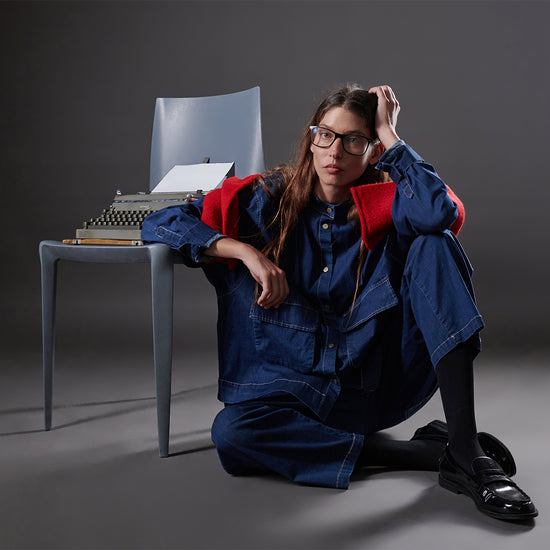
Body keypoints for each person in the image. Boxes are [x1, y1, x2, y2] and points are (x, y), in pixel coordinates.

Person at [142, 84, 537, 521]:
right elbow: (162, 219)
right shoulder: (265, 200)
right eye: (326, 135)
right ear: (311, 140)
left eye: (354, 141)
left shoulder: (389, 204)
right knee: (232, 433)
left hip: (373, 387)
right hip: (293, 398)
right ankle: (425, 454)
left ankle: (464, 446)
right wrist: (246, 253)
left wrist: (390, 134)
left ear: (372, 152)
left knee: (435, 243)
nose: (335, 152)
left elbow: (439, 212)